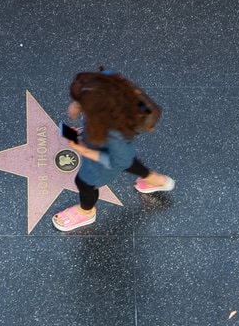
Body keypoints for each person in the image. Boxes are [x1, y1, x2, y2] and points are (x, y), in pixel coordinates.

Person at [52, 70, 172, 232]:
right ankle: (154, 179)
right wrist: (79, 104)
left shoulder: (112, 135)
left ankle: (86, 212)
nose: (76, 105)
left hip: (104, 161)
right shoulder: (108, 87)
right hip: (115, 147)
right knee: (129, 161)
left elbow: (119, 160)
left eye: (82, 103)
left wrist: (84, 149)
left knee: (85, 183)